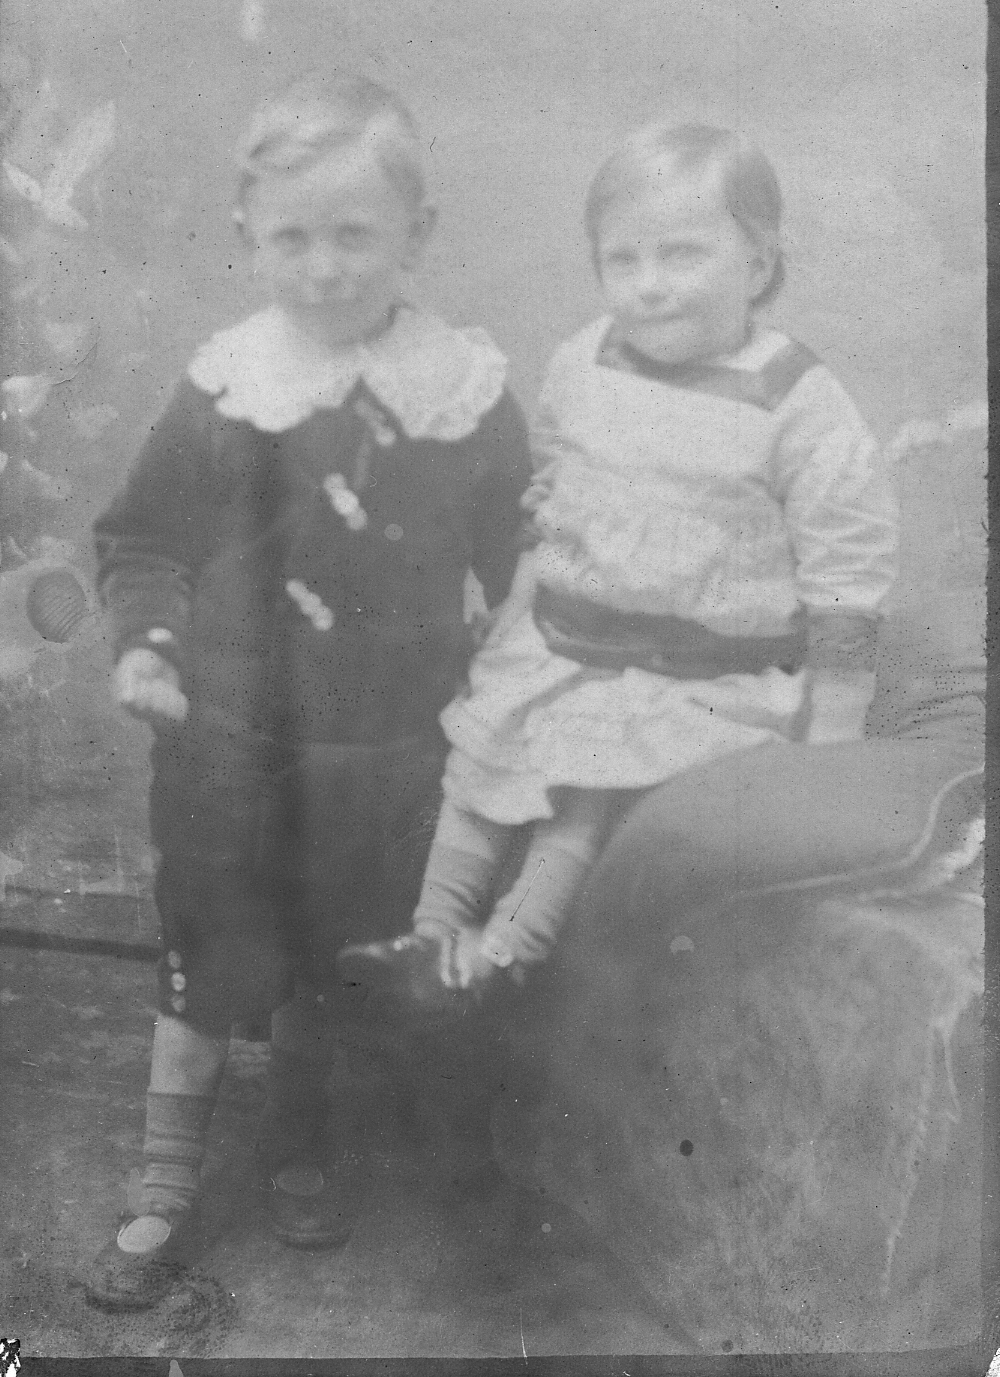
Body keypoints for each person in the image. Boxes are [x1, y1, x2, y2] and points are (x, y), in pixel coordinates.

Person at [84, 71, 531, 1308]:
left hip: (388, 758)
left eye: (354, 235)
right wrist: (148, 645)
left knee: (333, 961)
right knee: (210, 953)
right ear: (247, 233)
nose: (324, 267)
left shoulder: (462, 392)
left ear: (416, 234)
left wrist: (520, 658)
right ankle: (164, 1175)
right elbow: (142, 538)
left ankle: (302, 1140)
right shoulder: (229, 383)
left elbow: (520, 554)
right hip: (230, 743)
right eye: (292, 237)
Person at [338, 121, 899, 1005]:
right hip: (568, 639)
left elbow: (847, 567)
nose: (649, 284)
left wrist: (835, 726)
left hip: (698, 672)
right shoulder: (583, 359)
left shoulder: (797, 399)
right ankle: (430, 936)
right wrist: (520, 602)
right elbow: (556, 497)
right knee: (482, 766)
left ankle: (504, 952)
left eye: (681, 255)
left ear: (758, 263)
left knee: (584, 791)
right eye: (622, 260)